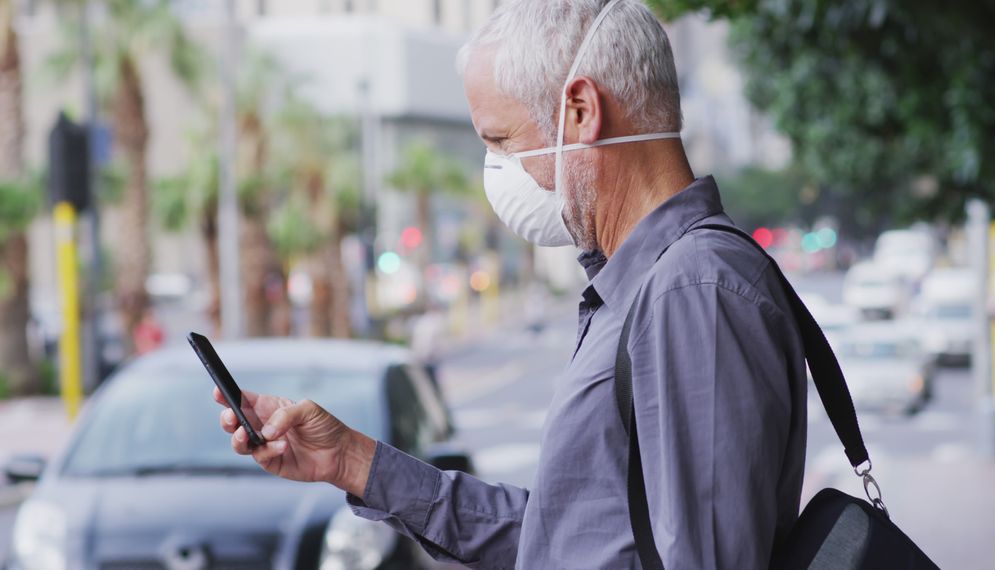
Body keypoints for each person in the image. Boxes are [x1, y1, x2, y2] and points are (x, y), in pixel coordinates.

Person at [214, 1, 808, 567]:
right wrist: (350, 460)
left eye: (500, 140)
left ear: (581, 111)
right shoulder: (644, 286)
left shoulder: (691, 292)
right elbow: (567, 539)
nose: (495, 170)